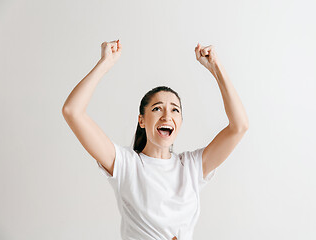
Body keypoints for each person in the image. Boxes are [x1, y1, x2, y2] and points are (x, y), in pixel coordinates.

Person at [62, 39, 249, 240]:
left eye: (174, 110)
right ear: (141, 120)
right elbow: (72, 111)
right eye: (157, 108)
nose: (167, 116)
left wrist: (216, 68)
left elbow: (239, 126)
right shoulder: (126, 165)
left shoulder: (192, 167)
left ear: (181, 122)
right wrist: (104, 63)